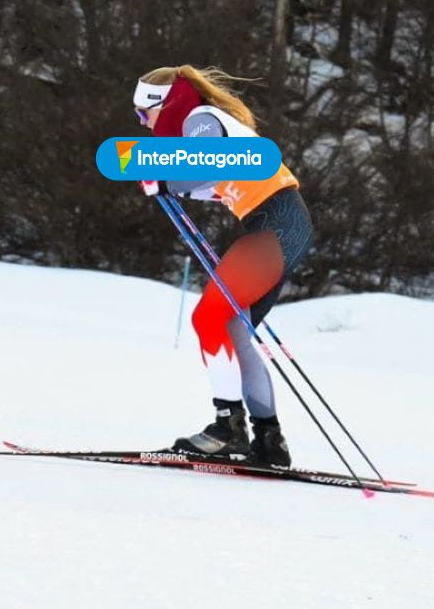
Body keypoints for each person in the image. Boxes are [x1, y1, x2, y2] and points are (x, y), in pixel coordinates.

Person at [132, 65, 312, 466]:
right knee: (232, 328)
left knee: (209, 319)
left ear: (162, 103)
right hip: (279, 223)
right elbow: (210, 183)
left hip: (275, 224)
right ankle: (269, 441)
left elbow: (203, 165)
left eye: (144, 114)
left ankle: (227, 428)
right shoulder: (205, 126)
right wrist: (167, 183)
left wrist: (164, 177)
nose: (145, 125)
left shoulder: (200, 120)